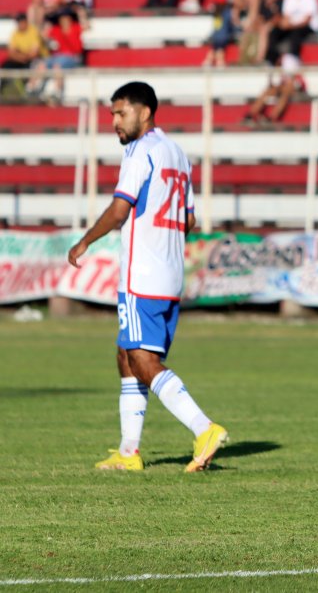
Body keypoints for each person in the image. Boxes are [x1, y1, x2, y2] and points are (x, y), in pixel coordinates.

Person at [67, 82, 228, 473]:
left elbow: (120, 210)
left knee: (140, 358)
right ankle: (129, 452)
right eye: (112, 114)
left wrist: (85, 240)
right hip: (170, 274)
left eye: (121, 113)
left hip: (142, 275)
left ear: (145, 112)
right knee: (126, 353)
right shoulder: (177, 153)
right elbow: (189, 219)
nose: (115, 122)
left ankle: (204, 428)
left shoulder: (140, 151)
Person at [1, 13, 44, 100]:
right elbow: (11, 52)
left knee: (33, 67)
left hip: (32, 60)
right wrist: (21, 57)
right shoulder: (15, 33)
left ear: (26, 22)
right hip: (20, 60)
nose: (20, 24)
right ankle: (2, 89)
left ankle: (29, 92)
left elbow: (34, 53)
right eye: (19, 23)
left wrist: (22, 56)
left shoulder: (33, 31)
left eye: (22, 22)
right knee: (6, 66)